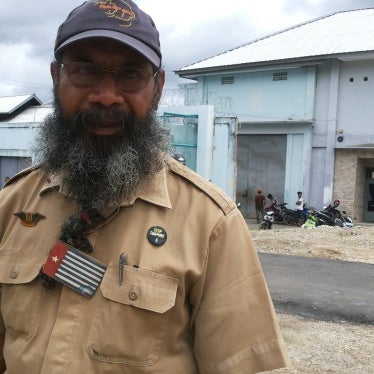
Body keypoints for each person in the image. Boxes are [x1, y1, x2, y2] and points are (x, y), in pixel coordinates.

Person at [0, 1, 289, 372]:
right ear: (57, 77)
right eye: (85, 70)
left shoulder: (211, 225)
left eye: (130, 74)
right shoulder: (12, 205)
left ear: (157, 87)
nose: (106, 95)